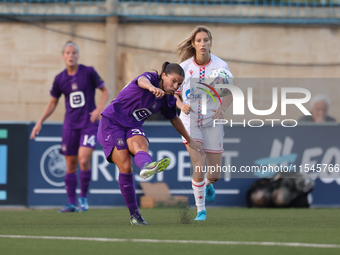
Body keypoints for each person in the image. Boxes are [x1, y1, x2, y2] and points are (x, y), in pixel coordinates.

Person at [97, 62, 203, 225]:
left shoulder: (168, 99)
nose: (175, 86)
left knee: (141, 144)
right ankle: (135, 215)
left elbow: (174, 118)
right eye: (173, 81)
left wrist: (189, 140)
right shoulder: (150, 78)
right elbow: (141, 81)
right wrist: (151, 88)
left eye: (179, 84)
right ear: (163, 76)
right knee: (125, 166)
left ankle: (147, 166)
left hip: (132, 125)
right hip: (112, 122)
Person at [30, 41, 109, 213]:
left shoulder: (88, 72)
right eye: (67, 53)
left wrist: (98, 109)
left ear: (78, 55)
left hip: (88, 124)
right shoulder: (60, 79)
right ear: (63, 56)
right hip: (70, 126)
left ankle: (83, 199)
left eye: (73, 52)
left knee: (83, 159)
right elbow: (52, 103)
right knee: (71, 164)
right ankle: (72, 203)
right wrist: (39, 121)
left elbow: (105, 90)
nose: (71, 55)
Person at [175, 26, 233, 220]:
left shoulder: (220, 67)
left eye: (205, 40)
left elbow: (230, 92)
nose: (202, 44)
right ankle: (201, 210)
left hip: (212, 122)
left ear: (210, 42)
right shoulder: (183, 68)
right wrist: (181, 104)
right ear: (193, 43)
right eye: (199, 40)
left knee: (214, 174)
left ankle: (208, 184)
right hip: (190, 123)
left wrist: (222, 108)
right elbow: (173, 95)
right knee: (198, 166)